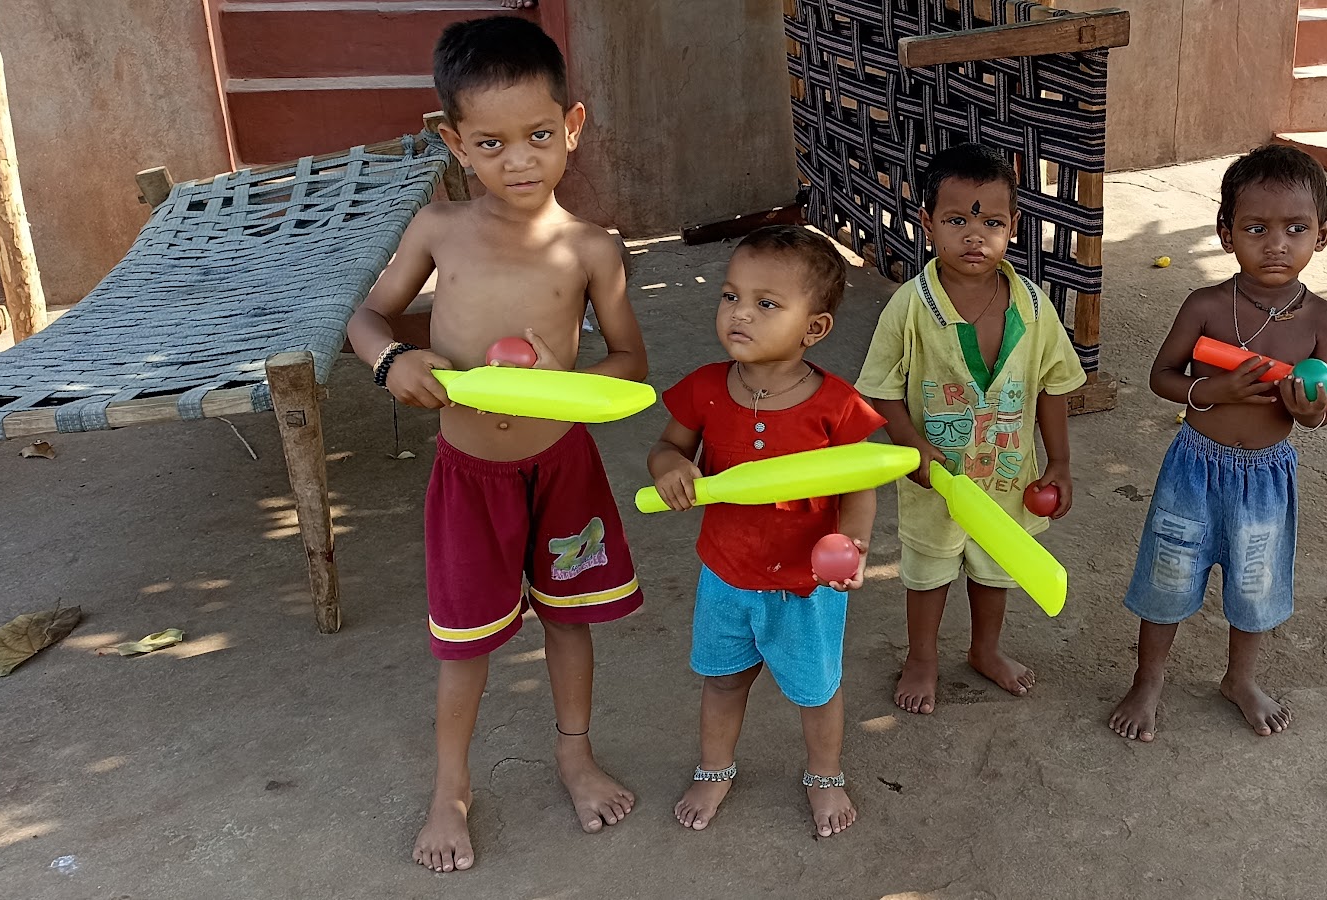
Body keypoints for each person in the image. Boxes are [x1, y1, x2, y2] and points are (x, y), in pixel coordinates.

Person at [344, 16, 648, 873]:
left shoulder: (592, 250)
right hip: (470, 474)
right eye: (492, 142)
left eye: (540, 135)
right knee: (466, 640)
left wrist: (565, 377)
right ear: (455, 142)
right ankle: (451, 789)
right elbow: (367, 315)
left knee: (570, 621)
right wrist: (392, 360)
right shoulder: (438, 230)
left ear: (572, 127)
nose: (520, 160)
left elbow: (631, 366)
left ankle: (575, 757)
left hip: (563, 468)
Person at [646, 226, 884, 837]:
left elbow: (860, 482)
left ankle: (824, 775)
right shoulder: (705, 388)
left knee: (816, 690)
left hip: (807, 583)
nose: (740, 313)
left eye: (766, 303)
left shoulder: (836, 404)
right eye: (730, 296)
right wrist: (671, 466)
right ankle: (715, 768)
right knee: (723, 681)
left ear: (814, 328)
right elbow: (668, 447)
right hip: (726, 574)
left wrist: (853, 543)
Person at [1107, 144, 1327, 743]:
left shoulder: (1322, 321)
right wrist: (1214, 390)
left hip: (1267, 475)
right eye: (1256, 228)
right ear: (1225, 233)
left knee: (1256, 583)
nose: (1276, 245)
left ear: (1322, 233)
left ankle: (1240, 679)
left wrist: (1308, 411)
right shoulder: (1207, 306)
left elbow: (1321, 413)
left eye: (1296, 229)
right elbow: (1161, 377)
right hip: (1194, 467)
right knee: (1168, 574)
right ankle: (1148, 680)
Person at [857, 143, 1085, 716]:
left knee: (995, 568)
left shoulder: (1033, 307)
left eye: (992, 223)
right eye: (957, 220)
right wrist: (914, 447)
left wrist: (1059, 462)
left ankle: (985, 649)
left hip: (1008, 476)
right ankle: (922, 658)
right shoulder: (911, 306)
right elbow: (881, 387)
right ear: (927, 221)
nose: (974, 236)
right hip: (935, 480)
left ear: (1014, 225)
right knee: (928, 573)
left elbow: (1054, 384)